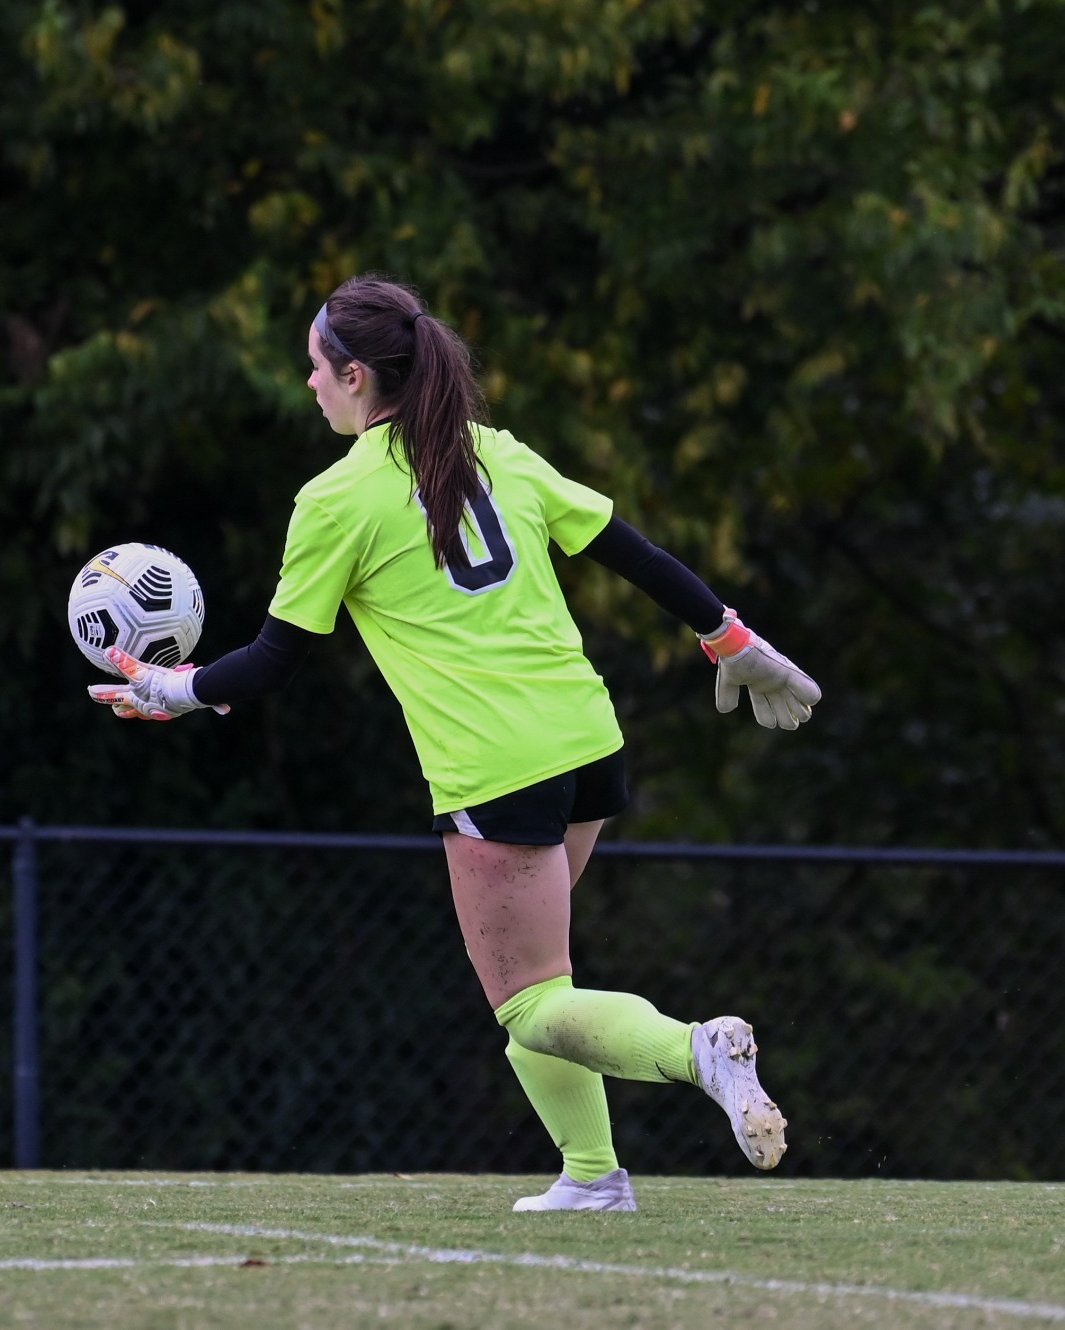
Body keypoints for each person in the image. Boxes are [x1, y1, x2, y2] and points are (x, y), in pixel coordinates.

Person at [88, 274, 822, 1212]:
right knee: (535, 986)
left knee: (527, 1003)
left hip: (498, 768)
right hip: (589, 743)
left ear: (357, 376)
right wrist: (729, 638)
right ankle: (594, 1178)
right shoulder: (496, 453)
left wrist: (165, 687)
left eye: (315, 368)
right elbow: (629, 549)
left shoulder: (337, 499)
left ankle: (698, 1053)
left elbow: (272, 662)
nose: (306, 383)